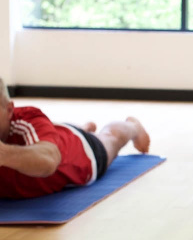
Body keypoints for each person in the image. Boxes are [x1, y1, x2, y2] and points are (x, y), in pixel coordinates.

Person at [0, 77, 151, 199]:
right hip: (51, 133)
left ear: (9, 110)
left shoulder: (27, 121)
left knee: (111, 137)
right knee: (52, 130)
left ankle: (132, 126)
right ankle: (83, 127)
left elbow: (48, 161)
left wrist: (4, 154)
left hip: (81, 151)